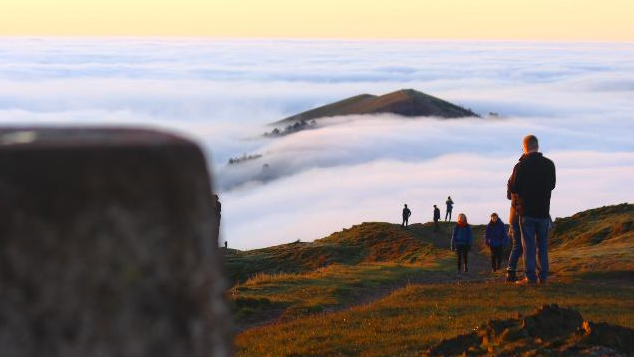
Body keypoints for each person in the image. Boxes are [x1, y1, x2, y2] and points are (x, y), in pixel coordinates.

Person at [508, 135, 556, 285]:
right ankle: (543, 277)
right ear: (538, 146)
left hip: (526, 212)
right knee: (542, 246)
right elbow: (552, 185)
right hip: (543, 211)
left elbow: (513, 188)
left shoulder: (520, 166)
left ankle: (530, 277)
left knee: (528, 245)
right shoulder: (549, 164)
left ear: (525, 147)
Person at [506, 163, 524, 282]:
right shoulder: (526, 177)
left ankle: (510, 271)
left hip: (513, 216)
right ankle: (529, 271)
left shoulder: (511, 179)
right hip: (521, 214)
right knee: (525, 245)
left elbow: (508, 196)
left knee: (517, 245)